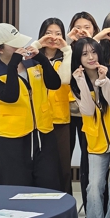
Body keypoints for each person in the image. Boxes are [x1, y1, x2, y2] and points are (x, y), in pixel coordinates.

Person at [0, 23, 62, 190]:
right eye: (13, 44)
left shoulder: (32, 63)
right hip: (11, 138)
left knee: (48, 184)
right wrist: (13, 66)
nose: (20, 46)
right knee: (16, 187)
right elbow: (10, 96)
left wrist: (42, 59)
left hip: (42, 133)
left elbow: (54, 84)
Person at [71, 38, 110, 218]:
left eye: (93, 52)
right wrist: (83, 83)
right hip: (95, 141)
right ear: (79, 58)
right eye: (85, 54)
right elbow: (87, 110)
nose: (91, 57)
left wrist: (104, 82)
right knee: (94, 186)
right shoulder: (76, 81)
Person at [68, 11, 101, 209]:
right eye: (77, 27)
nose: (82, 31)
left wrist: (92, 42)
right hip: (67, 114)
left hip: (90, 115)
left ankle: (91, 208)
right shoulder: (67, 50)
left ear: (94, 29)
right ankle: (67, 206)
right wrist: (68, 42)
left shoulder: (97, 51)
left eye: (87, 27)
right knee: (64, 160)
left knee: (88, 162)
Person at [37, 18, 74, 194]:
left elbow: (64, 80)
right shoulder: (33, 58)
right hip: (36, 120)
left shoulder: (66, 57)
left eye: (58, 34)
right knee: (41, 165)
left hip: (60, 119)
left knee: (62, 166)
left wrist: (67, 50)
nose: (53, 37)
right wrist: (38, 45)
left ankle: (64, 201)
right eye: (49, 33)